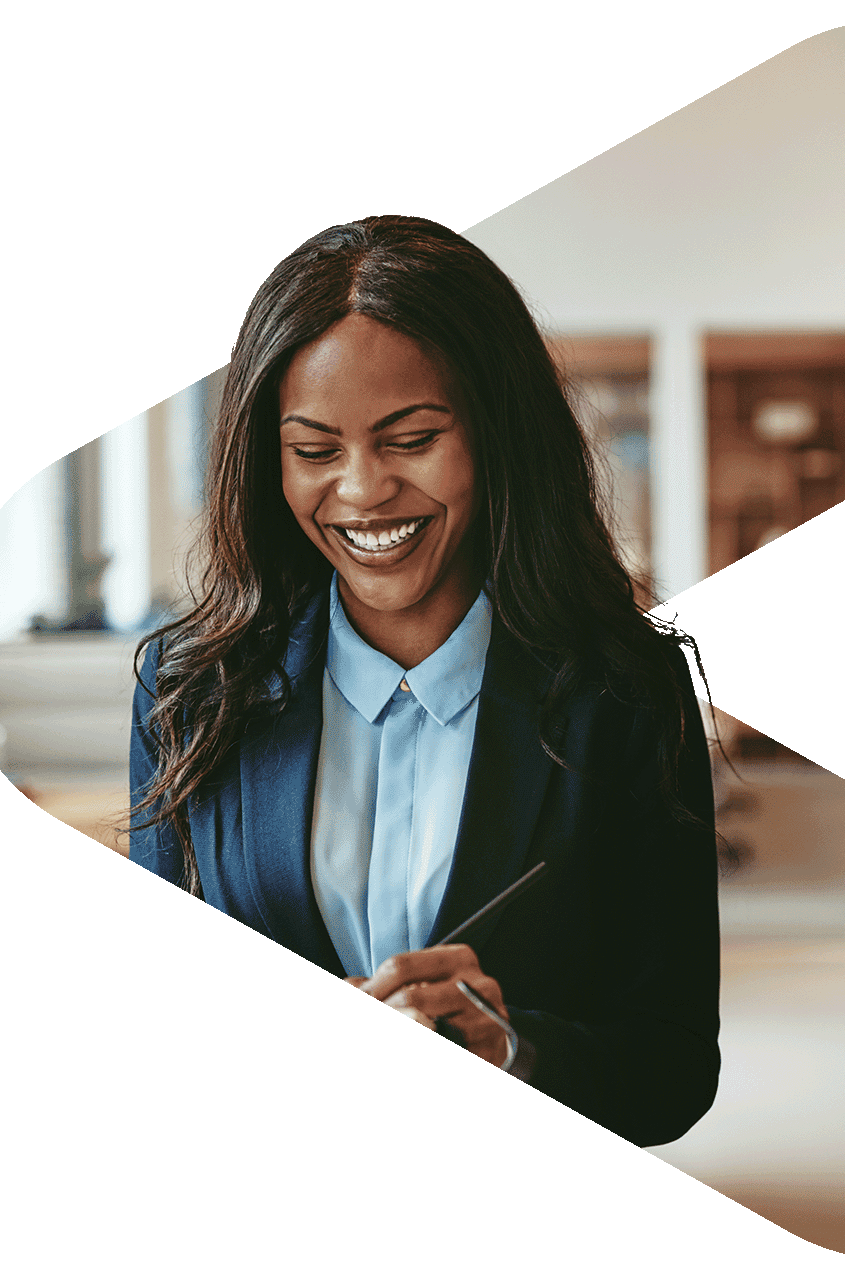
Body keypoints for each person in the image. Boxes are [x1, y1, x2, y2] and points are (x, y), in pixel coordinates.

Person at [129, 216, 720, 1147]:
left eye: (411, 438)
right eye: (315, 451)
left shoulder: (627, 695)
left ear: (496, 436)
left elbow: (674, 1068)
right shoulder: (191, 691)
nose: (362, 492)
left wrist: (516, 1053)